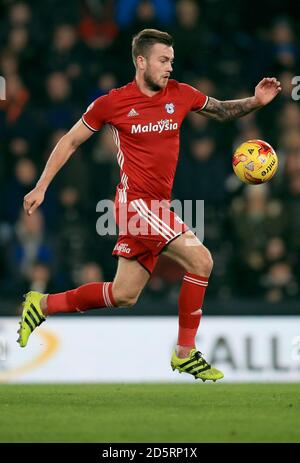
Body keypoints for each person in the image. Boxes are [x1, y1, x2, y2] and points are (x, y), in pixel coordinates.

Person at [17, 29, 281, 382]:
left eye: (171, 60)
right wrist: (42, 185)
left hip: (158, 206)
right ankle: (185, 352)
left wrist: (254, 102)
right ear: (140, 62)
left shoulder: (181, 94)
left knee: (124, 294)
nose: (170, 66)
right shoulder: (111, 103)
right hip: (135, 205)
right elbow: (70, 141)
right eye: (163, 60)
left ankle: (42, 303)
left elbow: (220, 111)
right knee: (201, 260)